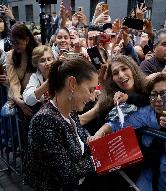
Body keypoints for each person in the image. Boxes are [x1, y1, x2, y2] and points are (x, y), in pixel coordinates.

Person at [91, 73, 166, 191]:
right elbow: (119, 123)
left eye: (165, 94)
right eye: (154, 94)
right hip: (145, 181)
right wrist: (100, 132)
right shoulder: (148, 111)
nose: (158, 99)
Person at [24, 58, 99, 190]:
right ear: (72, 84)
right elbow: (66, 173)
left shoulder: (71, 111)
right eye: (90, 90)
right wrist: (100, 159)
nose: (92, 97)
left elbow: (78, 145)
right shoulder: (44, 121)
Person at [7, 23, 38, 117]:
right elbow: (13, 81)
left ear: (27, 40)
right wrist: (18, 100)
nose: (15, 46)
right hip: (20, 99)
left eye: (17, 43)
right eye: (12, 43)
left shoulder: (37, 52)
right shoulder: (10, 56)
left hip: (37, 97)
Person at [22, 45, 55, 110]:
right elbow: (28, 100)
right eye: (42, 61)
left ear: (53, 60)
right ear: (36, 64)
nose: (47, 63)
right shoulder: (35, 77)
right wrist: (47, 83)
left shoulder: (61, 72)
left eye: (49, 59)